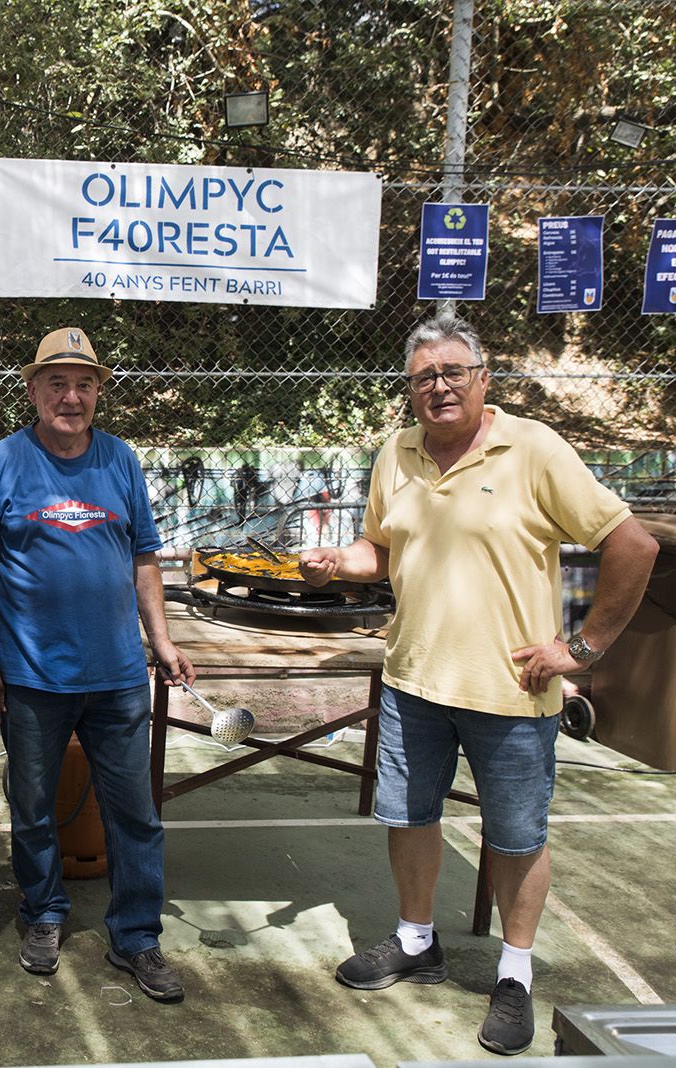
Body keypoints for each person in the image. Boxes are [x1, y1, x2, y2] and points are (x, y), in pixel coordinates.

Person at [300, 314, 658, 1056]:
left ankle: (515, 975)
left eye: (452, 372)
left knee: (517, 835)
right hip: (413, 678)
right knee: (409, 814)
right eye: (424, 377)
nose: (439, 387)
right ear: (410, 390)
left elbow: (633, 543)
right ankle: (415, 939)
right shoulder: (395, 453)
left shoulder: (532, 448)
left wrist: (583, 646)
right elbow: (383, 547)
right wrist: (342, 559)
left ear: (483, 378)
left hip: (511, 691)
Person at [0, 326, 195, 1003]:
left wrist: (162, 638)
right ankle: (42, 913)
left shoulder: (120, 460)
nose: (71, 396)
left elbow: (144, 557)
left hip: (120, 676)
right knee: (32, 806)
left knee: (135, 814)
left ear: (98, 393)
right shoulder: (1, 463)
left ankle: (137, 935)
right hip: (32, 676)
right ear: (33, 390)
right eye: (57, 383)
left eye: (84, 384)